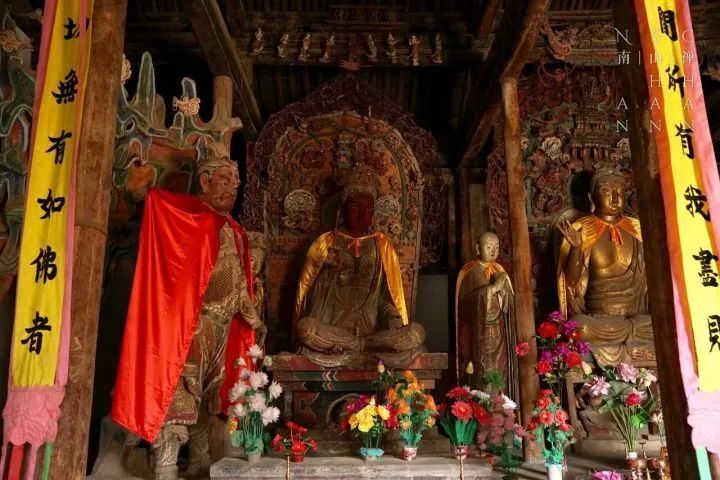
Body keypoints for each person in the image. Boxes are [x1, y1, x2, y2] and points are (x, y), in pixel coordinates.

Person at [111, 155, 265, 480]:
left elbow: (238, 282)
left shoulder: (233, 230)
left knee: (209, 394)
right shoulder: (189, 216)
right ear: (205, 182)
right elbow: (158, 205)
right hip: (191, 324)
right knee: (180, 389)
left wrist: (252, 317)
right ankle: (166, 464)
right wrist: (144, 191)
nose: (231, 189)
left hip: (222, 326)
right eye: (224, 180)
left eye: (235, 184)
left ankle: (200, 459)